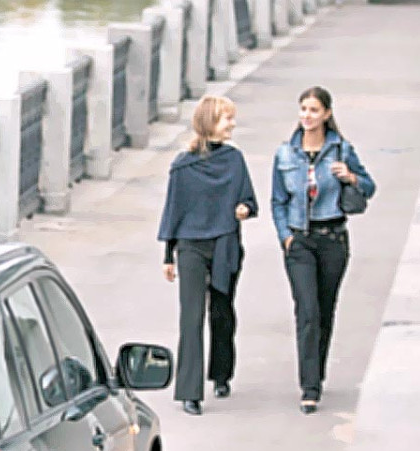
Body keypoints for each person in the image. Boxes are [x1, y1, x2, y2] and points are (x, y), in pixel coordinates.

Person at [271, 86, 376, 414]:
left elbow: (369, 186)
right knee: (307, 310)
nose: (307, 116)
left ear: (327, 114)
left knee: (325, 309)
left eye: (314, 110)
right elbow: (278, 201)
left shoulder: (341, 150)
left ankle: (318, 370)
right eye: (303, 109)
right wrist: (285, 237)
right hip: (300, 240)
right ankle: (309, 386)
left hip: (333, 238)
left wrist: (352, 178)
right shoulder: (286, 153)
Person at [157, 95, 257, 416]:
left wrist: (245, 209)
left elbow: (248, 199)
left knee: (221, 310)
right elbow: (174, 210)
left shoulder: (234, 160)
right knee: (191, 317)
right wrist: (168, 256)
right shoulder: (184, 165)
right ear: (210, 121)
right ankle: (190, 391)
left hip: (225, 242)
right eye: (227, 118)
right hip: (190, 245)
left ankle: (221, 372)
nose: (232, 124)